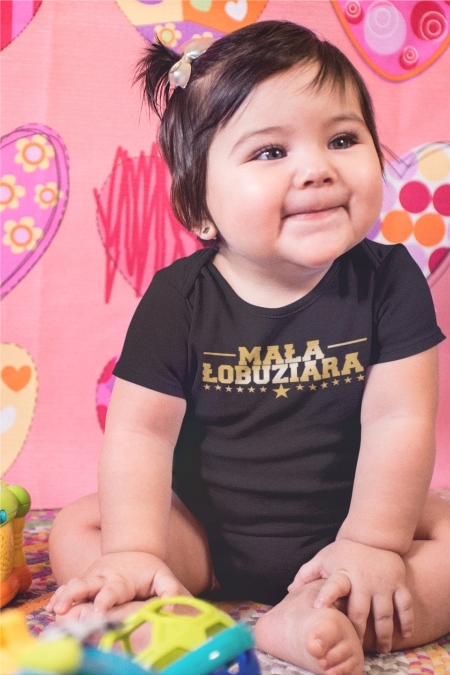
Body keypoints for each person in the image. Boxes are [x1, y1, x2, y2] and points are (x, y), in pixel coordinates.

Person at [48, 21, 450, 675]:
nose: (317, 169)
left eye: (342, 139)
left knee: (443, 547)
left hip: (349, 525)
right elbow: (141, 433)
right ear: (198, 207)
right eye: (270, 152)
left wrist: (372, 542)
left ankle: (312, 614)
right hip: (204, 538)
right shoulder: (178, 299)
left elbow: (400, 418)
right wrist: (135, 550)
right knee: (81, 530)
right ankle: (161, 608)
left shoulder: (389, 280)